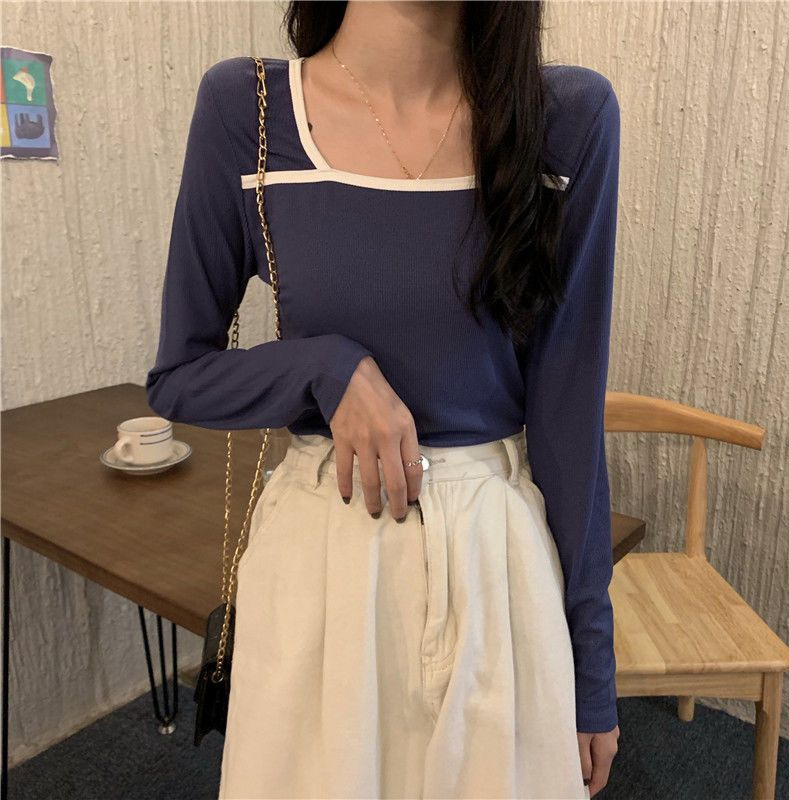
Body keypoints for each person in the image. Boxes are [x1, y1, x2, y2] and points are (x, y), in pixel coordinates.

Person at [145, 1, 621, 797]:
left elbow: (569, 418)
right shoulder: (249, 111)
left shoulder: (565, 121)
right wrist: (321, 369)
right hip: (320, 562)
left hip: (494, 565)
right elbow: (178, 376)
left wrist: (591, 667)